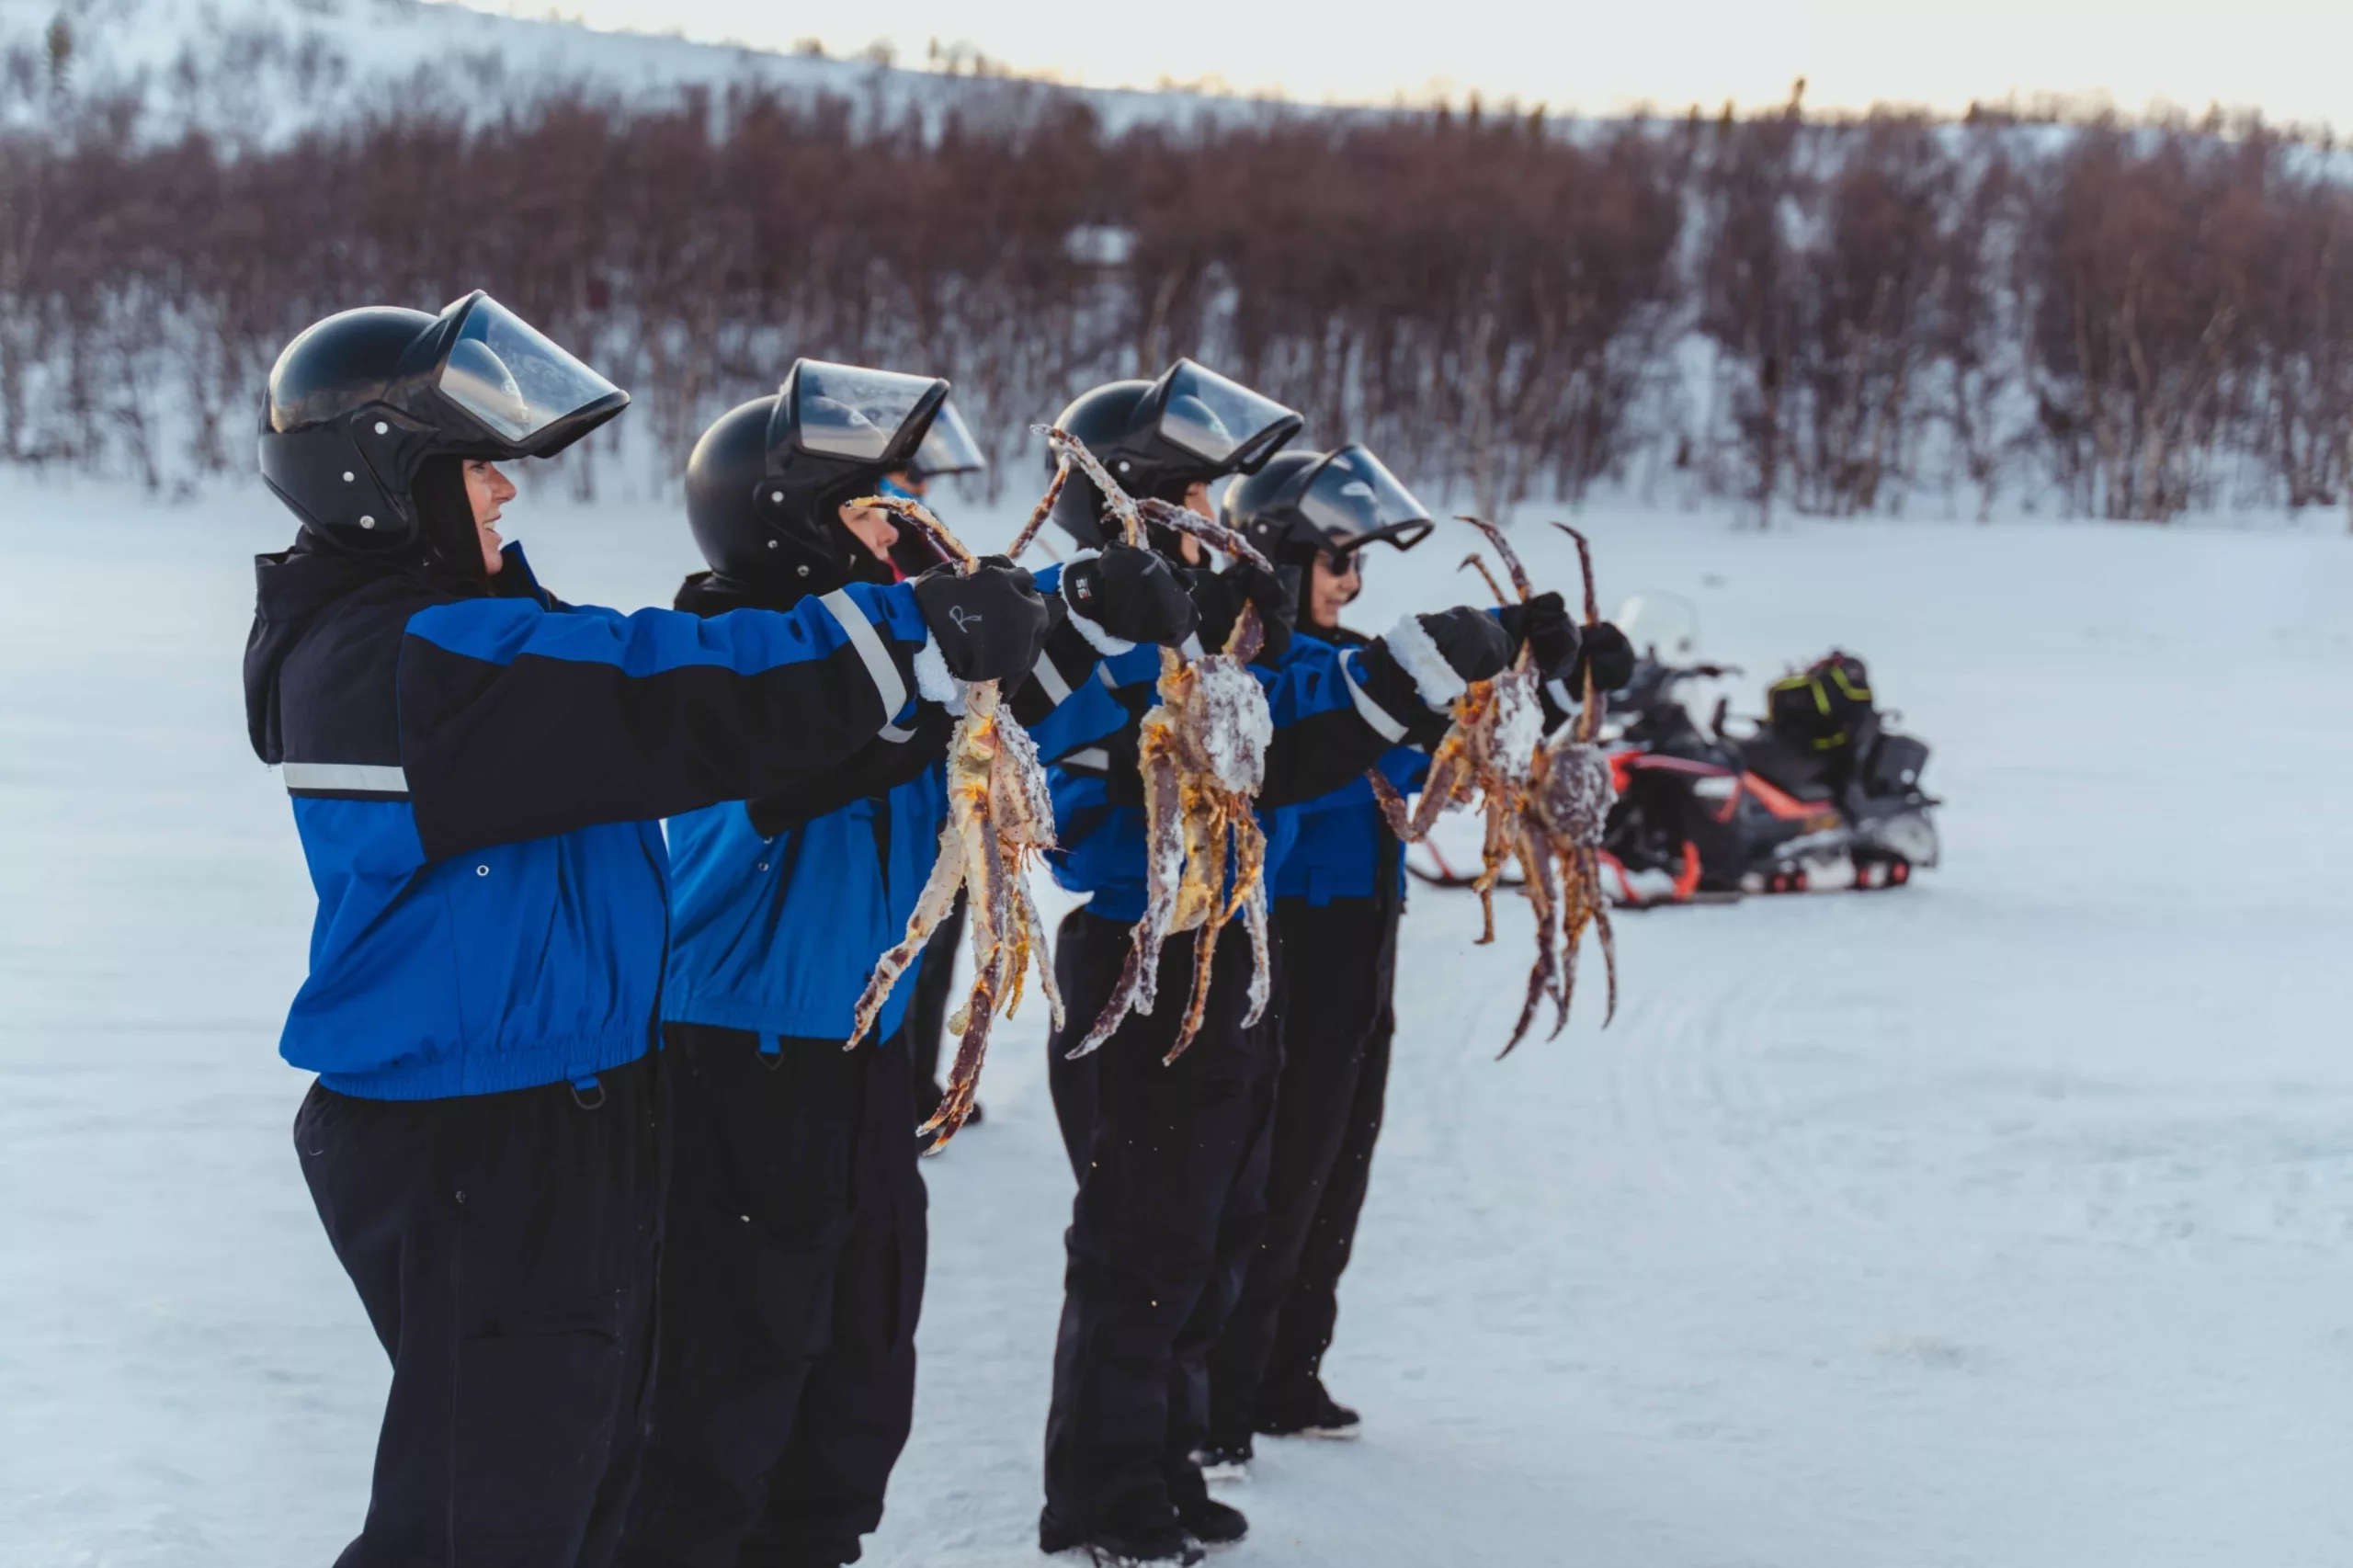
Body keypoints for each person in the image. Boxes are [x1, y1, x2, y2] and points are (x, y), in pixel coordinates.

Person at [247, 300, 1051, 1568]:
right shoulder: (406, 660)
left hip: (548, 1111)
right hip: (477, 1134)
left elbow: (635, 673)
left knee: (586, 1483)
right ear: (381, 478)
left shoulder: (454, 633)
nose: (507, 486)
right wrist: (910, 630)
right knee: (483, 1521)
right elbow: (671, 691)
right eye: (476, 463)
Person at [620, 366, 1198, 1568]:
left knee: (859, 1362)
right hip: (733, 1061)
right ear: (789, 512)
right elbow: (836, 751)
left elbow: (980, 713)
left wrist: (1082, 611)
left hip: (856, 1060)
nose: (911, 529)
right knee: (726, 1382)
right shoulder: (726, 652)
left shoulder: (886, 655)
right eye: (882, 507)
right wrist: (995, 632)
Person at [1030, 367, 1577, 1568]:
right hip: (1140, 941)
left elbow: (1288, 711)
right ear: (1126, 507)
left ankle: (1167, 1453)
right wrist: (1385, 674)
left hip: (1232, 939)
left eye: (1212, 496)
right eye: (1184, 497)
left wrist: (1457, 667)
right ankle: (1104, 1489)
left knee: (1206, 1220)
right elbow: (1222, 739)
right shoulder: (1075, 626)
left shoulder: (1208, 629)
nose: (1209, 518)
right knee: (1139, 1234)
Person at [1199, 449, 1636, 1475]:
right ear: (1278, 551)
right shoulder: (1255, 672)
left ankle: (1284, 1368)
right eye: (1335, 560)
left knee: (1337, 1156)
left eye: (1356, 563)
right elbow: (1339, 720)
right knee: (1270, 1163)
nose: (1353, 583)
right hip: (1282, 933)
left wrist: (1558, 679)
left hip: (1364, 927)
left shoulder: (1360, 660)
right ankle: (1219, 1386)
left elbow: (1465, 735)